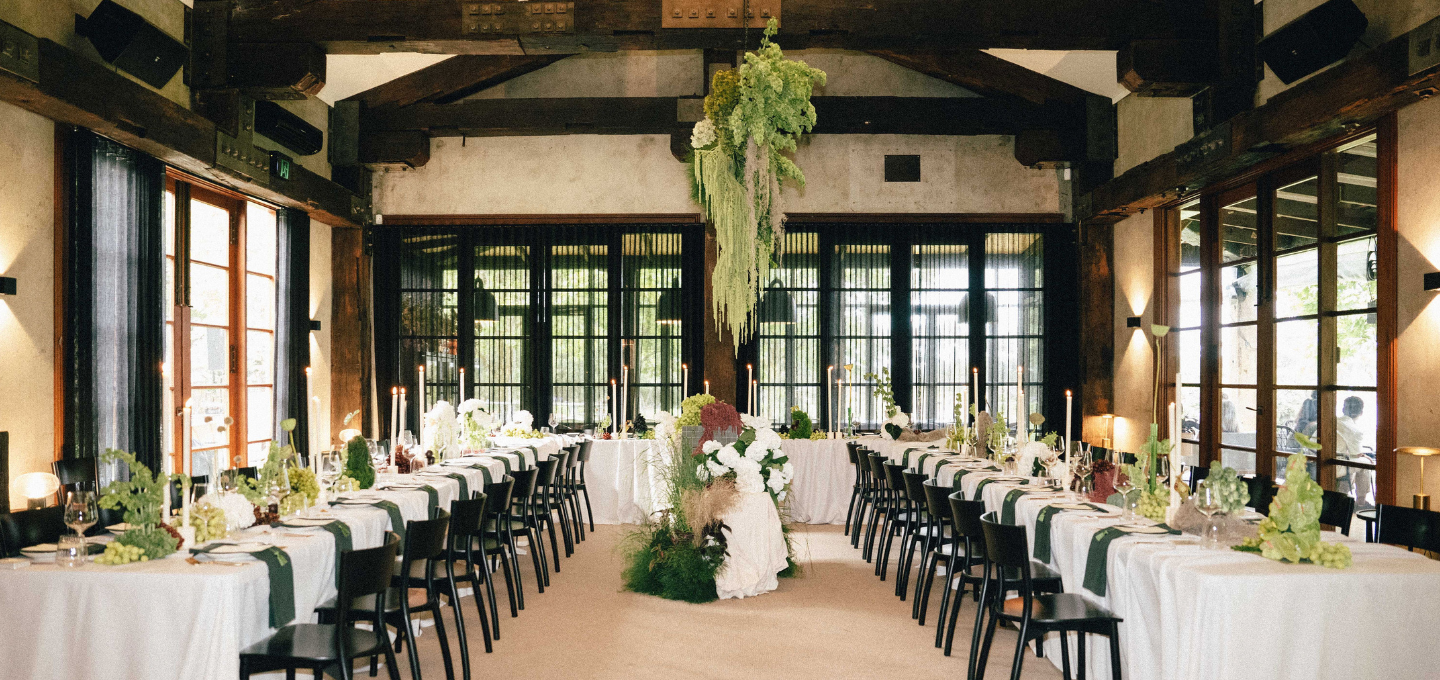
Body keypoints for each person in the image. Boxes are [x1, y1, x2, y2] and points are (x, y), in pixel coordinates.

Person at [1336, 396, 1374, 509]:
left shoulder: (1331, 422)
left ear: (1343, 409)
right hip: (1335, 466)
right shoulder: (1354, 429)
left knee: (1358, 462)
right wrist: (1364, 456)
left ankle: (1349, 497)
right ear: (1361, 412)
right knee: (1366, 463)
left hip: (1314, 461)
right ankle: (1361, 501)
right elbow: (1356, 453)